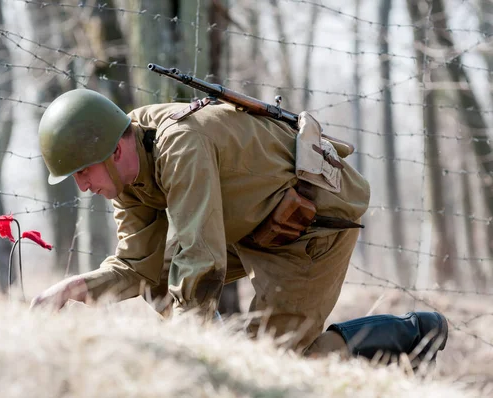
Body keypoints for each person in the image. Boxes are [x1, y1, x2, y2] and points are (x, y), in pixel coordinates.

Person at [31, 88, 448, 365]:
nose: (83, 187)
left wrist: (193, 357)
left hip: (311, 225)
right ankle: (223, 349)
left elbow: (199, 258)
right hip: (251, 223)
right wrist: (74, 288)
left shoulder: (179, 145)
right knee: (162, 277)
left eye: (83, 173)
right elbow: (139, 267)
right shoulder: (127, 170)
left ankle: (415, 335)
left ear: (115, 150)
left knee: (274, 361)